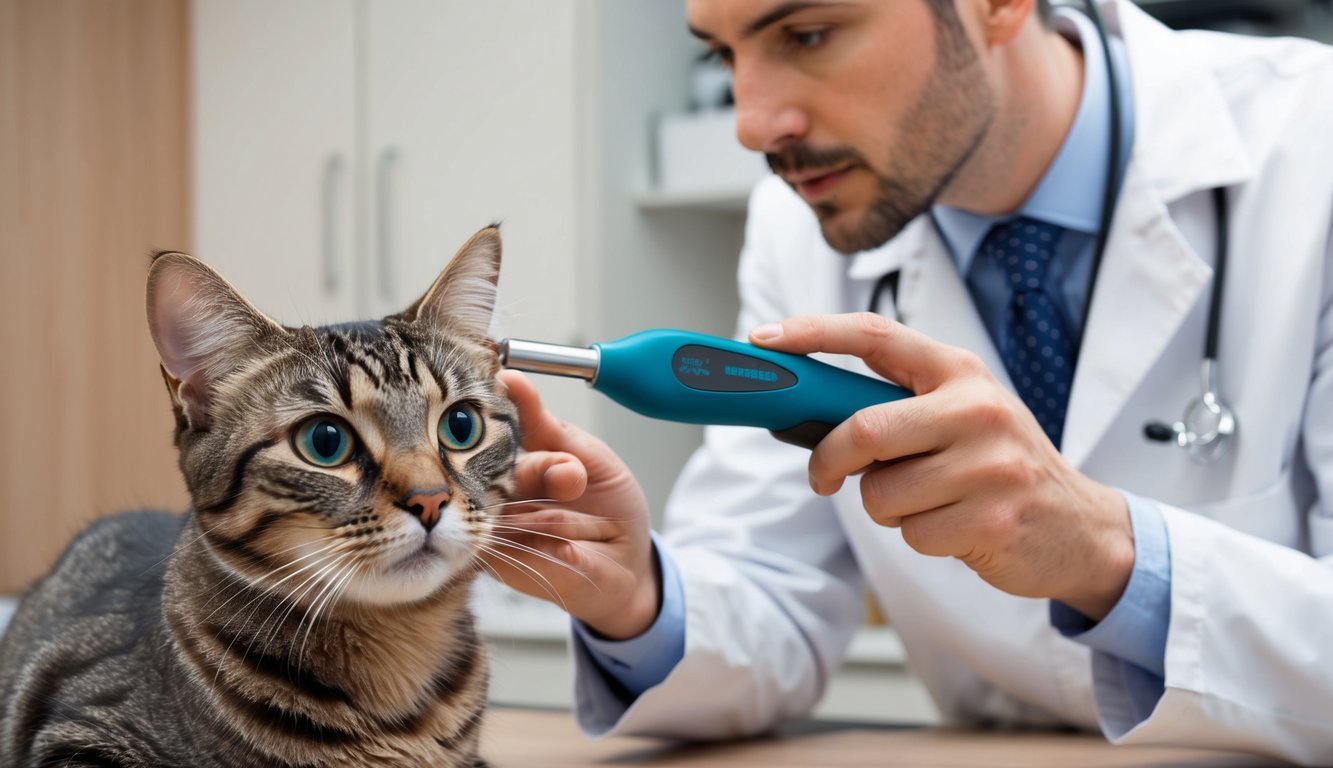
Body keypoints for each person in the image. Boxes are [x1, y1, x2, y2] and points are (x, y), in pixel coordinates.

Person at [485, 0, 1333, 763]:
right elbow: (773, 597)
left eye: (807, 33)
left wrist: (1109, 555)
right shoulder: (799, 229)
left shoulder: (1311, 142)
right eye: (721, 56)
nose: (751, 123)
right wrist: (636, 597)